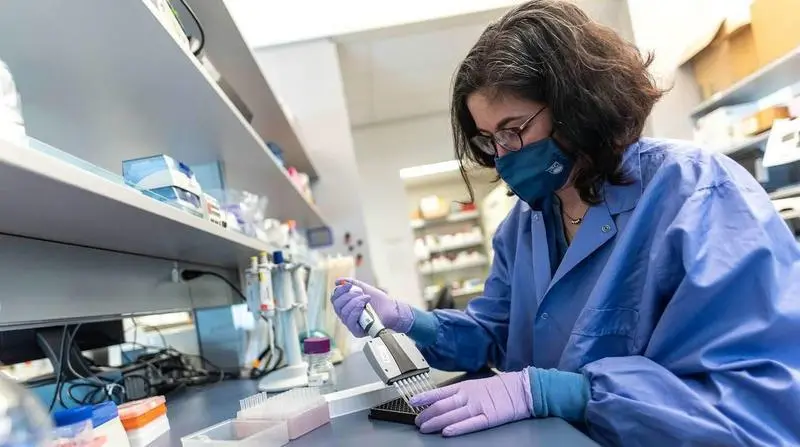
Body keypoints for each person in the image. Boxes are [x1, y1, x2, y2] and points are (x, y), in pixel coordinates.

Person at [331, 0, 800, 445]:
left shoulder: (698, 195)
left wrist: (563, 392)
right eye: (490, 140)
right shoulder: (524, 226)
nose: (503, 155)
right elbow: (495, 334)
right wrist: (408, 320)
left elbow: (757, 402)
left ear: (578, 107)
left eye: (514, 130)